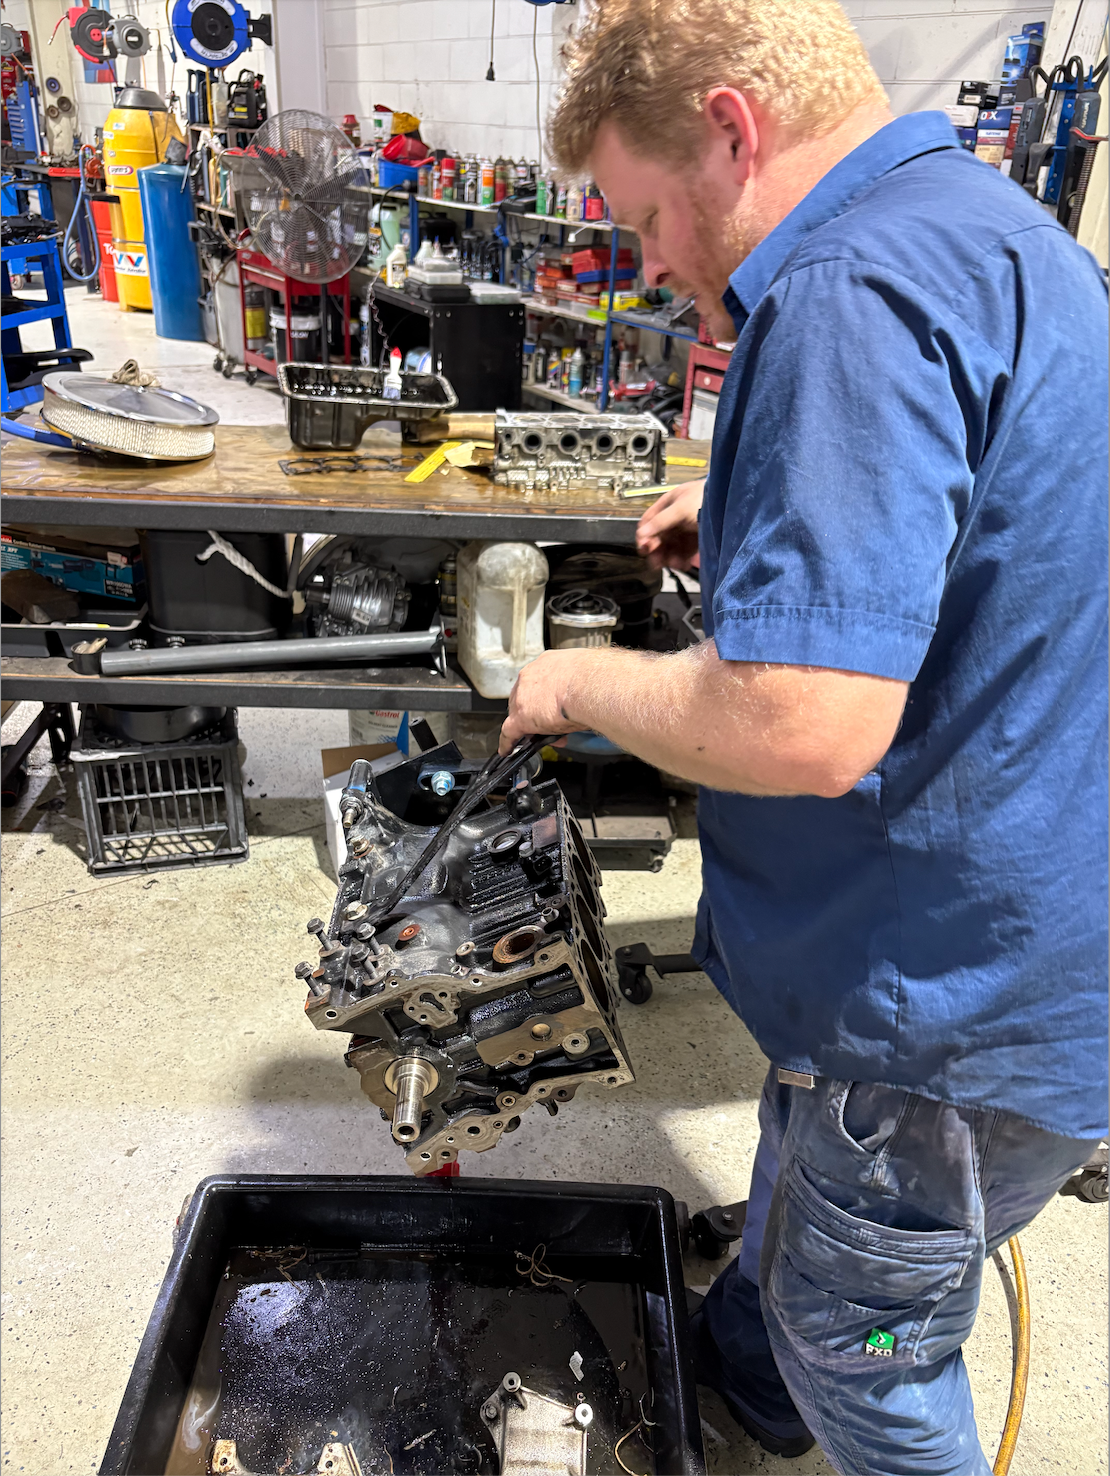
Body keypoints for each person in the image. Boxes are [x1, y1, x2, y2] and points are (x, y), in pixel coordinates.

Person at [498, 1, 1110, 1471]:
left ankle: (805, 1367)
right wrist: (769, 511)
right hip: (1014, 921)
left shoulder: (843, 288)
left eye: (639, 216)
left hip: (943, 1016)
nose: (642, 263)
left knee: (873, 1357)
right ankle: (749, 1379)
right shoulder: (993, 229)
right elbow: (1017, 504)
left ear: (730, 127)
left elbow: (797, 723)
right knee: (805, 1200)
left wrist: (577, 688)